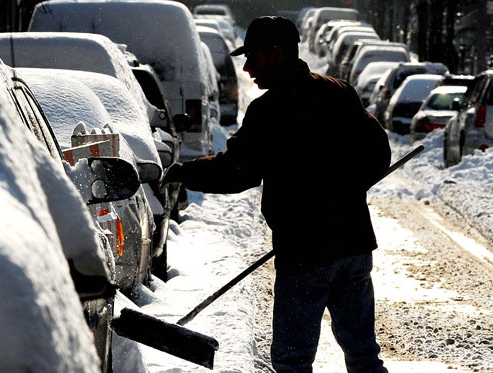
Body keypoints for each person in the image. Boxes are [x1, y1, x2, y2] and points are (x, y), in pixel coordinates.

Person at [162, 16, 390, 373]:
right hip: (353, 245)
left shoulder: (269, 111)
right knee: (363, 355)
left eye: (253, 57)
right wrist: (344, 190)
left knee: (292, 360)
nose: (247, 67)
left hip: (305, 252)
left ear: (277, 53)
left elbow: (239, 170)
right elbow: (378, 153)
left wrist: (183, 172)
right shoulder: (339, 91)